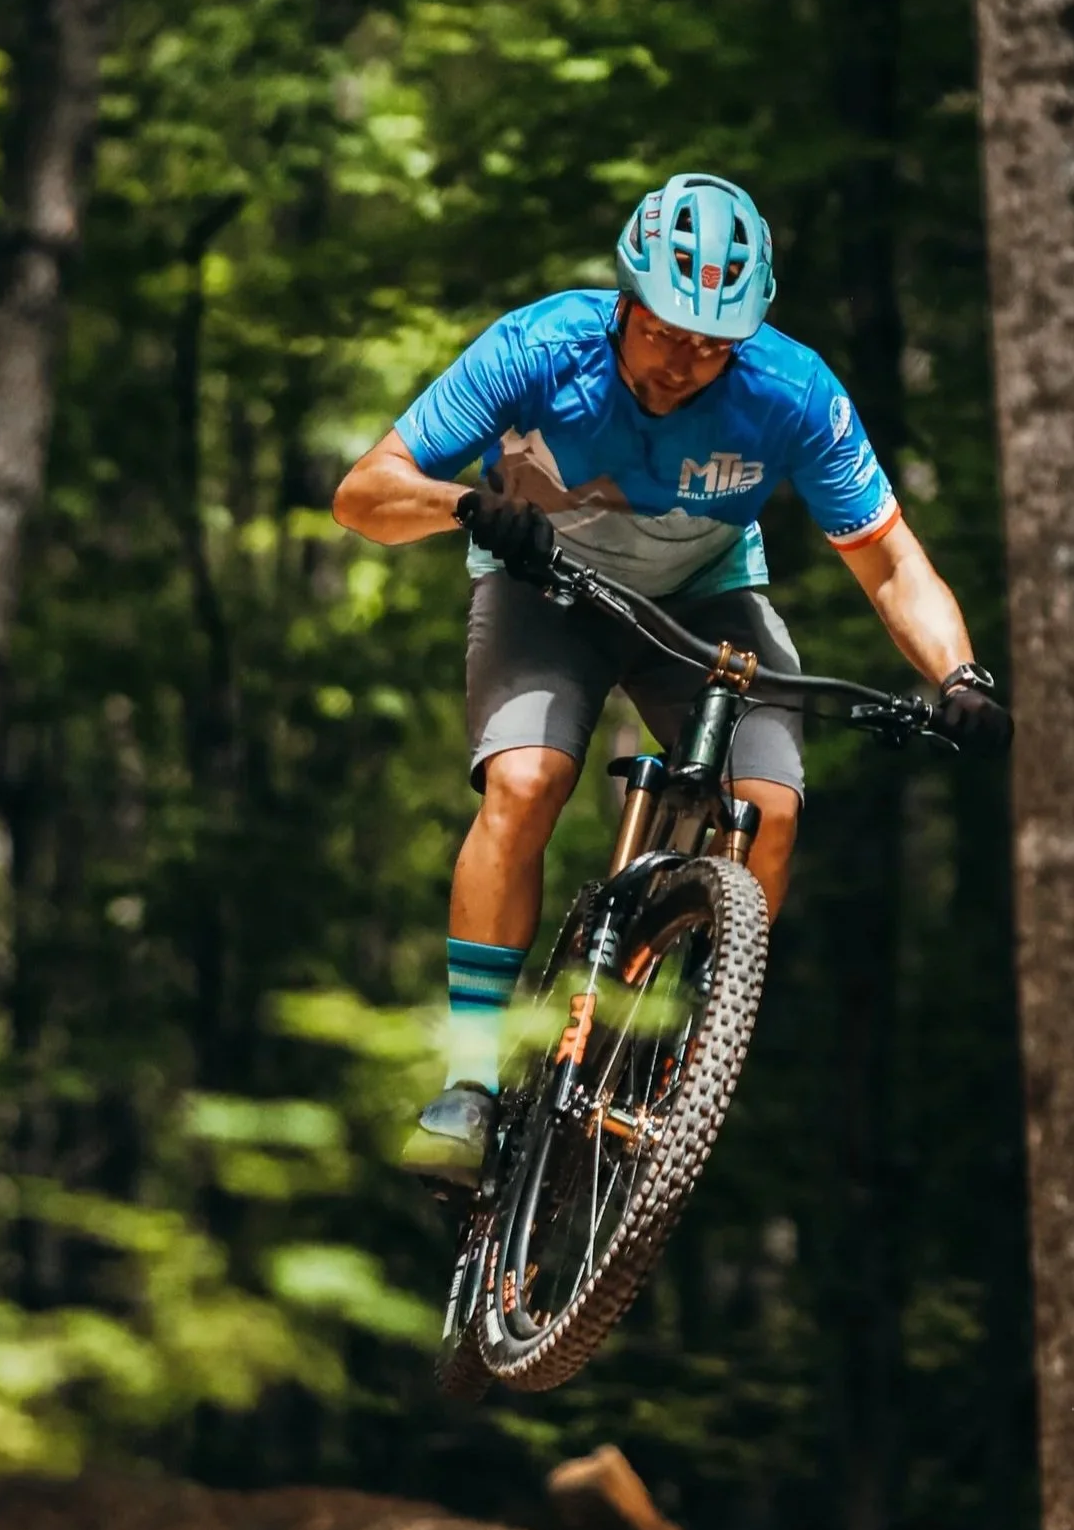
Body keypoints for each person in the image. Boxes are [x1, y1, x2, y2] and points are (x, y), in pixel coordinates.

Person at [331, 172, 1010, 1181]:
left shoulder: (792, 393)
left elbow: (891, 559)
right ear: (626, 301)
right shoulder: (540, 347)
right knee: (525, 783)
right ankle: (469, 1082)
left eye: (711, 345)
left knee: (769, 804)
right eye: (665, 332)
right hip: (543, 587)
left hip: (701, 599)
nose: (684, 362)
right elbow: (363, 494)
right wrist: (467, 510)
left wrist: (960, 673)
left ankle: (687, 1068)